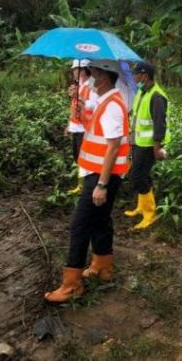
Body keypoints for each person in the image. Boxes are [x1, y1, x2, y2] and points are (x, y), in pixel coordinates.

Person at [45, 60, 130, 303]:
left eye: (92, 73)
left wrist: (101, 185)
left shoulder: (113, 105)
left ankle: (71, 285)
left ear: (103, 77)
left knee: (80, 226)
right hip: (97, 172)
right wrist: (77, 105)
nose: (89, 77)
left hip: (102, 177)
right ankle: (103, 266)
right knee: (100, 220)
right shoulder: (104, 101)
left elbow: (113, 147)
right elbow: (88, 125)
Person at [124, 61, 170, 230]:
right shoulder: (143, 91)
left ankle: (150, 214)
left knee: (137, 177)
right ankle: (141, 207)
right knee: (142, 175)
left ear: (144, 75)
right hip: (138, 142)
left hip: (149, 145)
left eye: (135, 73)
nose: (133, 76)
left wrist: (157, 147)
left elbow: (160, 124)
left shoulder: (157, 96)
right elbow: (137, 116)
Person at [66, 59, 93, 194]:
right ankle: (81, 185)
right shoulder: (79, 85)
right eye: (74, 70)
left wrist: (78, 98)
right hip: (76, 127)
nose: (74, 72)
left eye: (76, 69)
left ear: (84, 70)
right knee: (77, 157)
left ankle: (85, 186)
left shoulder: (91, 86)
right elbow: (74, 108)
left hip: (85, 128)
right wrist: (69, 125)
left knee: (83, 158)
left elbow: (90, 107)